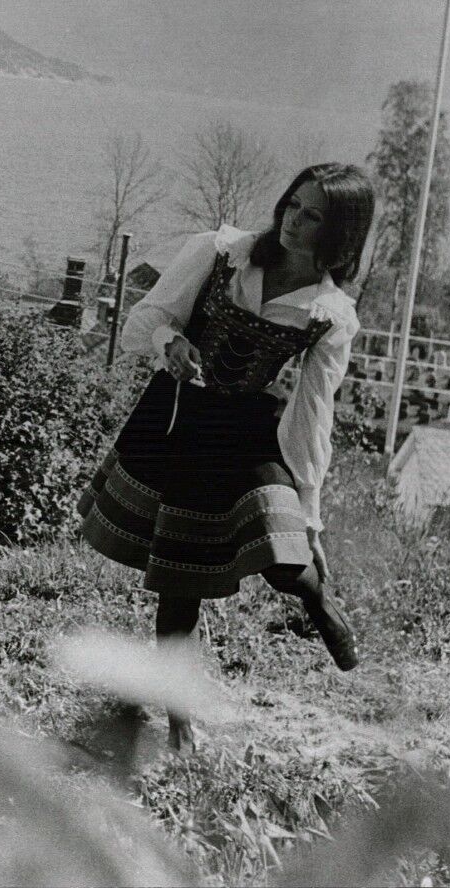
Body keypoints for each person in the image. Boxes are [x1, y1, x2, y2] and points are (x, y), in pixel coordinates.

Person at [77, 163, 375, 749]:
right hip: (182, 421)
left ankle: (320, 602)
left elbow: (315, 413)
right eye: (292, 204)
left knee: (287, 559)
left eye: (313, 215)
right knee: (179, 578)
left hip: (251, 433)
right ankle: (179, 720)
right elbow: (145, 321)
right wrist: (173, 342)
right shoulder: (220, 254)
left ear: (340, 232)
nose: (293, 220)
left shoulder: (331, 314)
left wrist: (309, 510)